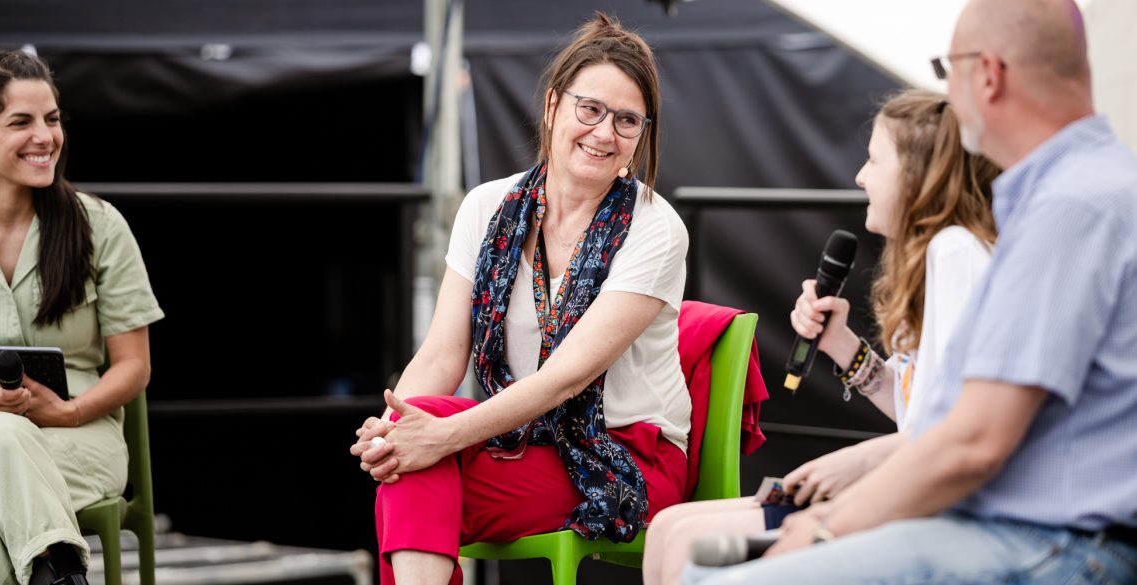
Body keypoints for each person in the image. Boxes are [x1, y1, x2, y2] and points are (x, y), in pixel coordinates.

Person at [684, 0, 1137, 583]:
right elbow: (947, 414)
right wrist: (847, 354)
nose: (860, 177)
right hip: (1035, 533)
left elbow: (971, 441)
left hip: (1051, 543)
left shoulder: (1065, 208)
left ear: (988, 74)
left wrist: (828, 526)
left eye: (948, 69)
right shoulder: (1090, 188)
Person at [349, 13, 690, 585]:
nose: (604, 133)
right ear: (553, 106)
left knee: (417, 475)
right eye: (590, 109)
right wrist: (392, 430)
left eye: (627, 120)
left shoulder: (656, 228)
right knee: (413, 446)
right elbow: (440, 356)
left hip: (625, 452)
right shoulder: (486, 206)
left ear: (641, 134)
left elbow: (565, 379)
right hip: (522, 438)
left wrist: (436, 438)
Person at [642, 88, 1000, 585]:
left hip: (922, 504)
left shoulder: (956, 253)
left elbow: (954, 427)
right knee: (666, 529)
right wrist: (840, 344)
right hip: (906, 488)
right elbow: (917, 407)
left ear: (918, 176)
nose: (860, 177)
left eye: (875, 160)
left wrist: (858, 461)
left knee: (684, 540)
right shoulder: (939, 258)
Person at [0, 49, 164, 585]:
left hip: (78, 437)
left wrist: (69, 411)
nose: (44, 137)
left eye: (51, 119)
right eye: (21, 122)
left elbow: (134, 366)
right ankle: (60, 573)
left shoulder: (100, 227)